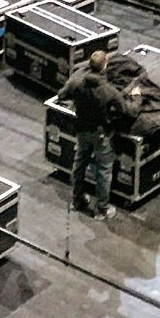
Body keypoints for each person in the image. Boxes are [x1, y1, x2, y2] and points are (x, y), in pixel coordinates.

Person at [57, 50, 125, 220]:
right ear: (104, 66)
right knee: (104, 170)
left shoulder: (77, 82)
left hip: (81, 130)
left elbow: (61, 94)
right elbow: (123, 109)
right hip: (100, 134)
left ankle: (77, 200)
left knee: (79, 164)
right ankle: (102, 208)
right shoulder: (108, 91)